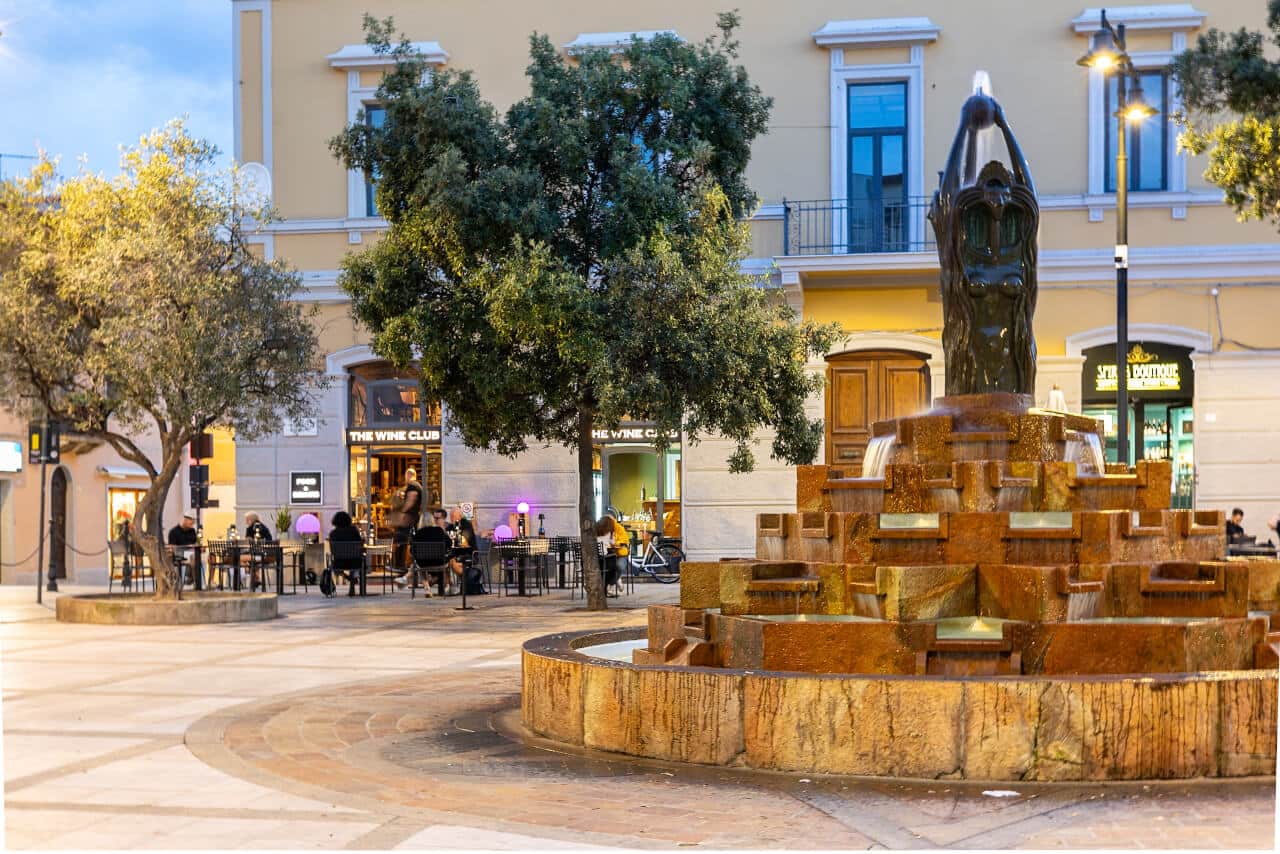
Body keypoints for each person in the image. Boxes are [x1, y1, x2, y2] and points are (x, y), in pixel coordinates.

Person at [397, 509, 450, 593]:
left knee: (419, 565)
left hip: (423, 563)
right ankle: (447, 586)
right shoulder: (439, 531)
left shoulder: (418, 534)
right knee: (449, 562)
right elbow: (449, 544)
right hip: (440, 562)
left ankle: (427, 588)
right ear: (432, 520)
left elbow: (412, 551)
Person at [389, 468, 424, 569]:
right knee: (404, 542)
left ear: (408, 475)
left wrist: (402, 512)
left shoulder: (412, 485)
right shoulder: (417, 486)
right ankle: (403, 566)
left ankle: (399, 566)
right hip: (412, 519)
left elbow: (411, 500)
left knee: (400, 541)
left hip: (409, 519)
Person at [328, 511, 365, 596]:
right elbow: (360, 544)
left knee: (333, 565)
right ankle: (352, 582)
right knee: (358, 560)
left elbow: (332, 551)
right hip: (354, 562)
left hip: (339, 563)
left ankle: (348, 578)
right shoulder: (354, 531)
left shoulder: (333, 534)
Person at [447, 507, 480, 594]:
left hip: (469, 554)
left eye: (454, 516)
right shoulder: (450, 526)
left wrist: (454, 538)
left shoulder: (466, 525)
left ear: (460, 516)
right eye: (451, 516)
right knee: (448, 560)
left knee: (451, 561)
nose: (452, 518)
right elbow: (447, 540)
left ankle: (460, 582)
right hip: (456, 554)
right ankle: (464, 580)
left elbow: (465, 541)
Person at [595, 514, 628, 597]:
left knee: (618, 566)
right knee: (611, 566)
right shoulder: (607, 531)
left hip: (619, 554)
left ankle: (612, 583)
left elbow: (624, 541)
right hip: (608, 556)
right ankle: (613, 582)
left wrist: (617, 543)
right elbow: (611, 543)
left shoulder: (618, 528)